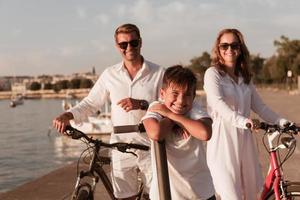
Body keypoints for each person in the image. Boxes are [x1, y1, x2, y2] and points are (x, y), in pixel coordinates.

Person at [53, 23, 165, 199]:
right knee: (124, 196)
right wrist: (67, 115)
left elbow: (167, 105)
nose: (129, 47)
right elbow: (91, 103)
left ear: (140, 42)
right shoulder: (110, 74)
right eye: (123, 44)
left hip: (150, 143)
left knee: (158, 195)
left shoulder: (159, 73)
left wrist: (143, 104)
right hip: (119, 144)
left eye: (133, 43)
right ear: (117, 47)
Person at [203, 28, 290, 200]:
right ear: (218, 49)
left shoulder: (245, 78)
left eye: (234, 45)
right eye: (224, 45)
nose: (229, 49)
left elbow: (261, 107)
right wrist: (244, 121)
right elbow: (218, 104)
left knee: (249, 195)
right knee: (231, 196)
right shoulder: (213, 74)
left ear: (240, 48)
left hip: (245, 141)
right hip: (223, 143)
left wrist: (284, 122)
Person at [142, 65, 216, 200]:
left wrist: (171, 115)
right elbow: (155, 133)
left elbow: (205, 133)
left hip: (201, 192)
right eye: (175, 94)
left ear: (193, 96)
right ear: (162, 94)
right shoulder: (156, 107)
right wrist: (180, 120)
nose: (181, 101)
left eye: (187, 94)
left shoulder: (195, 108)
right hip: (166, 193)